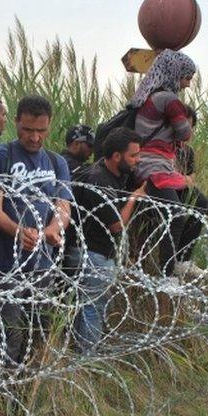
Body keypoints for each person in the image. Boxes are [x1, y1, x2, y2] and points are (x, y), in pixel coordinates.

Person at [0, 95, 73, 367]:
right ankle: (3, 385)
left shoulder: (57, 163)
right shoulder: (0, 156)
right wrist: (18, 231)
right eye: (28, 130)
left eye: (41, 131)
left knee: (39, 329)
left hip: (42, 266)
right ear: (16, 122)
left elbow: (63, 207)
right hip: (6, 264)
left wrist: (52, 229)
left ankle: (31, 384)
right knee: (9, 333)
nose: (35, 138)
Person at [129, 49, 208, 280]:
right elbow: (185, 133)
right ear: (174, 73)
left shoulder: (153, 95)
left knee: (201, 203)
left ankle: (182, 260)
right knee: (176, 215)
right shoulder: (169, 99)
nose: (187, 85)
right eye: (186, 78)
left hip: (164, 168)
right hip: (153, 169)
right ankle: (168, 274)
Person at [67, 128, 145, 352]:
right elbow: (116, 225)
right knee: (93, 307)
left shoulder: (112, 175)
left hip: (97, 253)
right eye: (134, 155)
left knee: (91, 305)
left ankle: (80, 352)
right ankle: (86, 358)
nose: (137, 161)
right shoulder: (98, 179)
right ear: (117, 156)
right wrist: (134, 198)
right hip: (92, 254)